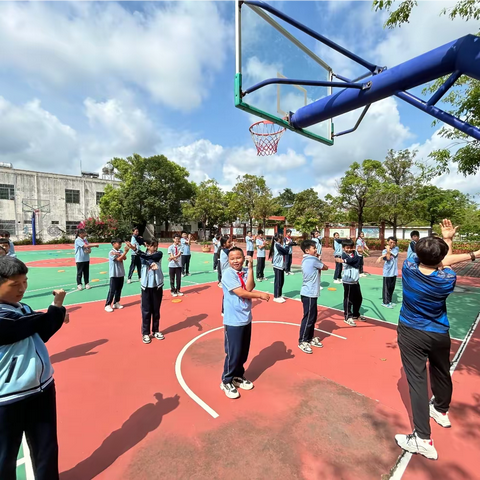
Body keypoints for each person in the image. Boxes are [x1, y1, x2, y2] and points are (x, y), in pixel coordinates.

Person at [395, 219, 480, 460]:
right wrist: (468, 249)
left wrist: (449, 242)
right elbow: (446, 263)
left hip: (412, 332)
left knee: (417, 383)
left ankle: (422, 439)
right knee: (441, 372)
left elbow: (441, 261)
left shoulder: (409, 267)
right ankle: (441, 410)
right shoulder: (447, 279)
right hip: (439, 333)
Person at [0, 256, 69, 480]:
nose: (22, 288)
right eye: (14, 284)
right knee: (4, 456)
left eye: (25, 282)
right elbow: (19, 327)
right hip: (8, 397)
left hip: (42, 389)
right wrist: (53, 313)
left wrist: (56, 308)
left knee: (46, 448)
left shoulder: (23, 308)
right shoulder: (6, 317)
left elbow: (43, 332)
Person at [220, 248, 270, 399]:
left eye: (238, 258)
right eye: (232, 258)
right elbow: (241, 292)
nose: (235, 261)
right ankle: (226, 380)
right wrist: (260, 295)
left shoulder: (244, 272)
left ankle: (238, 376)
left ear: (244, 258)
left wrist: (250, 268)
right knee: (233, 353)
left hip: (245, 318)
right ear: (228, 260)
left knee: (243, 352)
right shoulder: (228, 273)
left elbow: (249, 287)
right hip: (233, 320)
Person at [127, 238, 165, 344]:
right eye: (153, 245)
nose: (155, 247)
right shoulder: (142, 257)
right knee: (146, 311)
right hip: (146, 287)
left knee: (156, 310)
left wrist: (136, 250)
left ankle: (156, 330)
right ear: (147, 246)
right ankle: (145, 333)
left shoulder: (159, 254)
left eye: (156, 245)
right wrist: (136, 251)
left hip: (157, 286)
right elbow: (145, 258)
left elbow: (151, 257)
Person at [298, 240, 329, 354]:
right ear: (307, 250)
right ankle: (303, 341)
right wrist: (319, 259)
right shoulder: (312, 259)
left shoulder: (306, 259)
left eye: (315, 247)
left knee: (312, 317)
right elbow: (325, 267)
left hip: (309, 293)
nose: (316, 249)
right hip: (309, 293)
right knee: (308, 318)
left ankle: (309, 338)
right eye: (313, 248)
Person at [336, 239, 364, 326]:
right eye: (347, 248)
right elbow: (354, 262)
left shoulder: (355, 254)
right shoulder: (342, 255)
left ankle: (356, 314)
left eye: (350, 248)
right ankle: (348, 316)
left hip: (355, 280)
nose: (348, 249)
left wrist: (360, 254)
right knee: (348, 299)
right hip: (348, 281)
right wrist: (358, 256)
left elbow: (358, 262)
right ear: (343, 248)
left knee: (358, 298)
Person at [104, 238, 129, 313]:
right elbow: (118, 259)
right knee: (112, 290)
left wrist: (124, 253)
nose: (120, 245)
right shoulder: (111, 252)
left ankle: (116, 302)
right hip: (114, 274)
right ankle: (107, 304)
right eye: (118, 243)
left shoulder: (120, 251)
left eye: (121, 243)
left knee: (119, 289)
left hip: (120, 273)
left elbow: (124, 258)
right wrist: (125, 252)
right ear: (113, 243)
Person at [379, 236, 399, 309]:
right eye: (391, 242)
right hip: (387, 272)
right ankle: (385, 302)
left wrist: (388, 251)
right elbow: (388, 258)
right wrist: (387, 250)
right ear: (387, 242)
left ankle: (389, 301)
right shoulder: (384, 251)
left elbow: (393, 254)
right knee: (386, 288)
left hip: (394, 272)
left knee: (391, 287)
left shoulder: (396, 249)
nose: (392, 244)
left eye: (394, 243)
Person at [269, 233, 289, 303]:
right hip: (277, 266)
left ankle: (279, 295)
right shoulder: (277, 245)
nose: (282, 239)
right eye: (281, 238)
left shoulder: (279, 245)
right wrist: (287, 245)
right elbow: (285, 252)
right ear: (278, 239)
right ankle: (276, 296)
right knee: (278, 281)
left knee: (281, 281)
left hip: (281, 265)